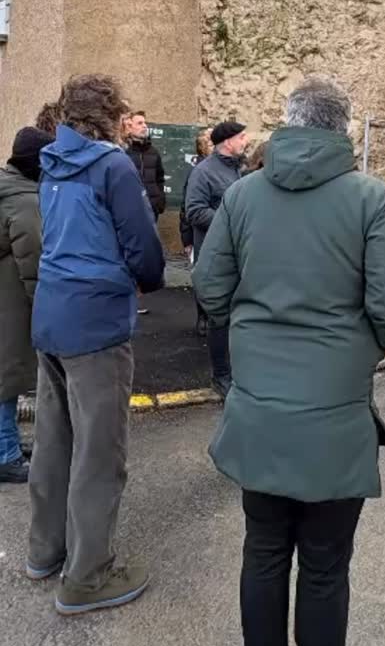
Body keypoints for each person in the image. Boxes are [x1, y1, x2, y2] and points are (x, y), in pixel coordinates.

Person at [193, 78, 385, 646]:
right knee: (324, 567)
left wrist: (251, 334)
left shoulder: (241, 195)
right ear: (342, 128)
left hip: (259, 409)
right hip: (335, 414)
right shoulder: (370, 198)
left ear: (289, 122)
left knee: (263, 551)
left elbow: (209, 287)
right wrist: (363, 350)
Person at [27, 74, 165, 615]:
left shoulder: (50, 163)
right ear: (111, 116)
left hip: (51, 315)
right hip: (95, 323)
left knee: (54, 441)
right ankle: (86, 577)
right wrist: (147, 280)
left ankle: (45, 551)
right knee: (99, 452)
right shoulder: (113, 165)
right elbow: (143, 248)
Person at [0, 128, 53, 484]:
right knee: (7, 375)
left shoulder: (7, 186)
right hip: (11, 300)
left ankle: (8, 442)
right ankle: (6, 454)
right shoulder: (24, 201)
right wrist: (44, 308)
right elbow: (33, 262)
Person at [186, 119, 249, 397]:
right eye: (242, 137)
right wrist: (231, 220)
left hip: (240, 253)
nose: (246, 141)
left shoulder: (241, 170)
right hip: (216, 254)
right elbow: (194, 211)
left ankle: (238, 371)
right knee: (219, 317)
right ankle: (221, 375)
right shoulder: (203, 172)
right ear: (228, 141)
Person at [179, 127, 214, 337]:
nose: (214, 146)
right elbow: (186, 208)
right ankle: (203, 316)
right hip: (200, 233)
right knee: (202, 276)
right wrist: (186, 238)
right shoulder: (197, 172)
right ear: (201, 148)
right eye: (209, 143)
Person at [124, 111, 166, 220]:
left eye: (145, 123)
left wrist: (159, 200)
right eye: (139, 123)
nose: (144, 126)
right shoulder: (123, 152)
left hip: (151, 210)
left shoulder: (154, 152)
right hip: (129, 210)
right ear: (129, 127)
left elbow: (160, 178)